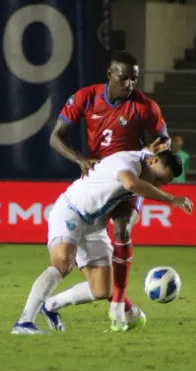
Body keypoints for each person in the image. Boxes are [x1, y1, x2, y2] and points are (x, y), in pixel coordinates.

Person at [49, 50, 171, 330]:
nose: (130, 84)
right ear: (110, 75)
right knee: (89, 233)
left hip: (130, 176)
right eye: (124, 77)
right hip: (99, 179)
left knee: (123, 229)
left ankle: (117, 305)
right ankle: (118, 301)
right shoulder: (86, 97)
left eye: (134, 78)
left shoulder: (145, 107)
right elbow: (55, 137)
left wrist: (152, 153)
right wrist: (80, 158)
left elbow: (164, 141)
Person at [12, 150, 193, 334]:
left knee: (102, 290)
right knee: (63, 264)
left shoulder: (146, 161)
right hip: (71, 210)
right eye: (159, 179)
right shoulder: (127, 162)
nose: (158, 185)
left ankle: (50, 306)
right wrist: (170, 198)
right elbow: (131, 184)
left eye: (164, 184)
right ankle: (24, 323)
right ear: (152, 161)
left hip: (95, 226)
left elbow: (148, 152)